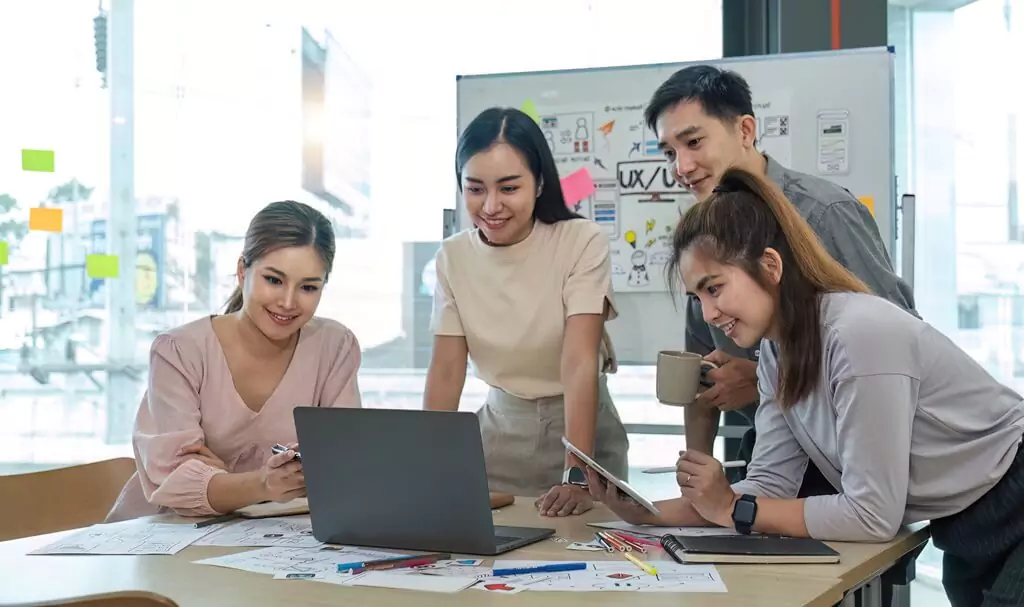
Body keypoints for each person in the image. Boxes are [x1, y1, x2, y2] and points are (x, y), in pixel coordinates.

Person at [592, 167, 1024, 607]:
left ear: (770, 266)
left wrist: (734, 509)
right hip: (967, 521)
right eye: (697, 298)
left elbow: (872, 515)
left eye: (714, 288)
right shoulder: (777, 354)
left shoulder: (859, 334)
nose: (708, 314)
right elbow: (770, 484)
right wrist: (648, 514)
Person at [645, 64, 916, 494]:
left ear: (745, 130)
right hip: (776, 458)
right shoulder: (703, 231)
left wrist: (758, 379)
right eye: (668, 153)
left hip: (857, 458)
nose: (682, 166)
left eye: (694, 142)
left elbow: (897, 349)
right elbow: (698, 366)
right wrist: (695, 490)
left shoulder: (822, 213)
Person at [424, 107, 628, 518]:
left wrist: (578, 471)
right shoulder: (453, 257)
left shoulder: (580, 241)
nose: (491, 205)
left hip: (583, 433)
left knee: (587, 565)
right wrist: (426, 465)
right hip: (500, 434)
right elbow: (447, 370)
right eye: (475, 188)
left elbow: (579, 361)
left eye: (509, 188)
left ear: (538, 184)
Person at [106, 200, 362, 522]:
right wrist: (263, 482)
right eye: (273, 280)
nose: (288, 302)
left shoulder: (335, 346)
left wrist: (221, 477)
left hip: (268, 535)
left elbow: (343, 462)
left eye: (308, 287)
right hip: (164, 530)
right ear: (243, 271)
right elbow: (176, 482)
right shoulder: (178, 351)